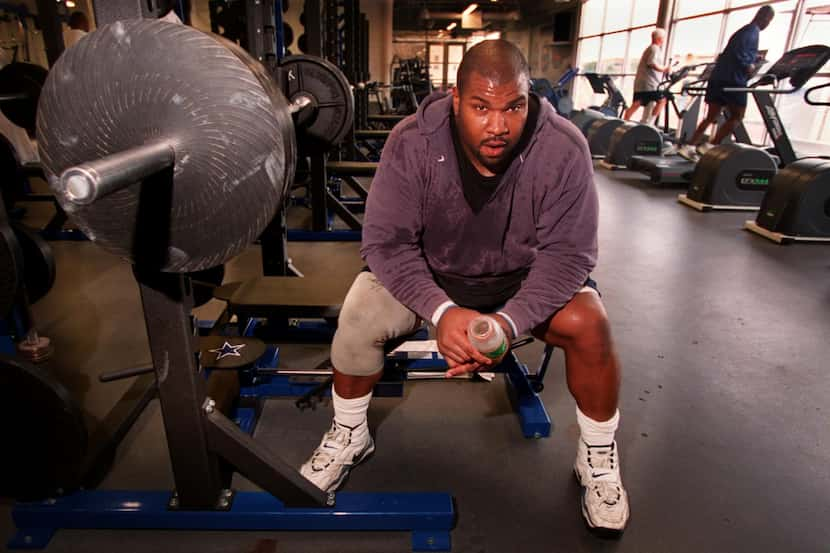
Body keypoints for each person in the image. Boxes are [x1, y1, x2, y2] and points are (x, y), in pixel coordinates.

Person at [299, 39, 629, 535]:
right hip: (433, 277)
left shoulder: (563, 148)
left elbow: (571, 255)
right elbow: (386, 245)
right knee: (361, 312)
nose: (498, 126)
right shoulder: (412, 141)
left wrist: (509, 320)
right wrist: (442, 311)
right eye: (481, 107)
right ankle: (350, 432)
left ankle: (597, 456)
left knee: (590, 324)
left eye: (513, 107)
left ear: (528, 98)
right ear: (456, 99)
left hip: (521, 284)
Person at [680, 5, 775, 160]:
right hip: (733, 81)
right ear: (764, 17)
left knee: (711, 116)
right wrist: (749, 66)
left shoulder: (743, 31)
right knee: (738, 115)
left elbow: (732, 52)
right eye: (769, 21)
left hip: (718, 78)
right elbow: (740, 55)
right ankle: (709, 145)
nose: (768, 24)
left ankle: (690, 146)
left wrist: (753, 59)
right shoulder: (752, 32)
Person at [624, 28, 671, 125]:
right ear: (659, 38)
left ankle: (625, 121)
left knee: (637, 103)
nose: (663, 41)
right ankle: (650, 123)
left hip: (643, 83)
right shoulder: (655, 48)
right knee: (662, 100)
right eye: (663, 38)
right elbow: (651, 63)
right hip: (649, 84)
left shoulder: (650, 48)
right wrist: (664, 69)